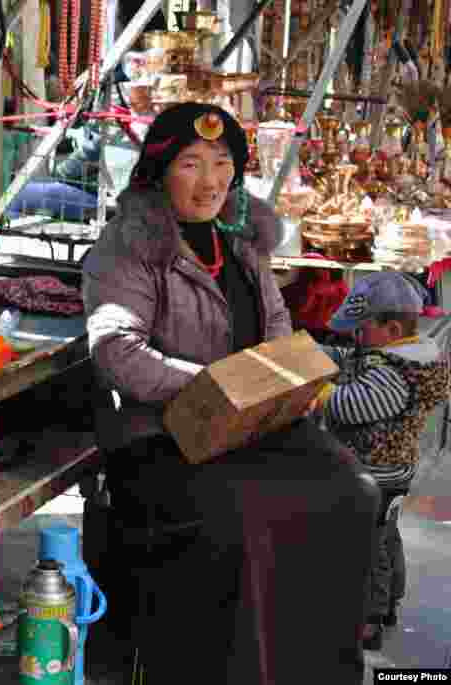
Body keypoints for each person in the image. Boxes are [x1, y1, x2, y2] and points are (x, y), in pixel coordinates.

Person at [81, 102, 379, 682]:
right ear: (159, 172)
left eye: (222, 162)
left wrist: (278, 382)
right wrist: (217, 386)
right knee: (239, 518)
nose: (210, 179)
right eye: (191, 163)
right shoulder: (130, 247)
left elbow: (276, 331)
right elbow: (115, 350)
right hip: (163, 438)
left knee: (353, 493)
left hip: (254, 429)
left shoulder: (242, 245)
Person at [317, 273, 450, 650]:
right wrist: (319, 354)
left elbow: (351, 405)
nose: (352, 338)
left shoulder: (395, 374)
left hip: (378, 472)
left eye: (360, 330)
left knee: (367, 544)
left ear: (390, 329)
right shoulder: (396, 352)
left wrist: (322, 392)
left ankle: (369, 620)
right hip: (391, 473)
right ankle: (390, 601)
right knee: (386, 536)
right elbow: (355, 358)